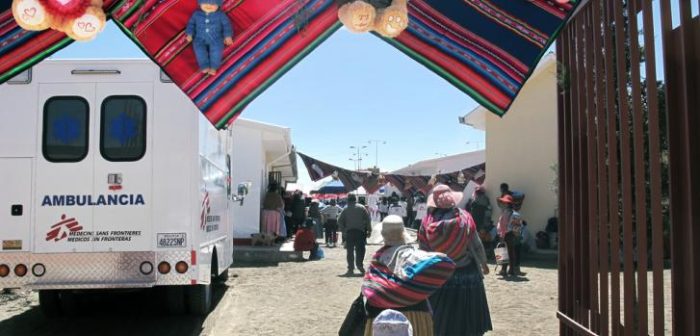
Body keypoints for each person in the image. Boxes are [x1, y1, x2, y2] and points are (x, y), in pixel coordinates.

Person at [419, 184, 492, 336]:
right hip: (467, 272)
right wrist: (483, 263)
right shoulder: (465, 217)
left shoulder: (427, 221)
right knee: (468, 311)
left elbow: (423, 250)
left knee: (442, 313)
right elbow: (475, 243)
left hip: (440, 273)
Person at [363, 215, 444, 336]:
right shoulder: (416, 256)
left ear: (383, 235)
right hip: (416, 311)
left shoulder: (378, 258)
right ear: (403, 233)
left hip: (381, 314)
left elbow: (370, 285)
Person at [338, 194, 371, 275]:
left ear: (348, 200)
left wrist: (343, 231)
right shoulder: (362, 207)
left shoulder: (345, 209)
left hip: (349, 232)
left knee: (350, 251)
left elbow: (339, 221)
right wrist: (369, 230)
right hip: (360, 232)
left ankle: (350, 268)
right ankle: (360, 265)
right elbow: (367, 219)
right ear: (355, 199)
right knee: (360, 250)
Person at [502, 212, 527, 276]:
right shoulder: (515, 214)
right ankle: (510, 270)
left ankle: (505, 269)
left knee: (506, 252)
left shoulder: (505, 214)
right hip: (510, 234)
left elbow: (517, 225)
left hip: (507, 234)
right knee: (510, 252)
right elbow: (517, 225)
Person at [496, 194, 514, 276]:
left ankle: (506, 270)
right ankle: (504, 269)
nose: (503, 203)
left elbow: (509, 225)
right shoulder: (504, 211)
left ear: (508, 204)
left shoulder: (511, 213)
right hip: (503, 234)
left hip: (508, 234)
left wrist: (504, 234)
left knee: (507, 252)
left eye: (504, 202)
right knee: (503, 251)